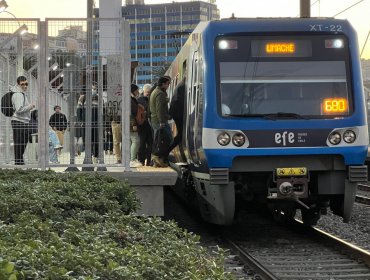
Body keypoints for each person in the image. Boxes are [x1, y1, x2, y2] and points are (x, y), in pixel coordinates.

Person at [11, 76, 35, 165]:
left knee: (21, 143)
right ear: (18, 84)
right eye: (22, 84)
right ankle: (19, 163)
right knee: (19, 144)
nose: (25, 86)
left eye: (26, 84)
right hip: (19, 121)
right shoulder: (18, 95)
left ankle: (19, 162)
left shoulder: (21, 94)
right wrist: (30, 106)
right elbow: (19, 109)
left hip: (22, 121)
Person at [149, 76, 173, 167]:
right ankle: (156, 157)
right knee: (168, 140)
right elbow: (159, 109)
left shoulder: (155, 91)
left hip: (155, 120)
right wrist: (162, 121)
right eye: (167, 84)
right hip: (159, 121)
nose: (168, 86)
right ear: (163, 84)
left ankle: (157, 160)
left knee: (158, 140)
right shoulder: (160, 93)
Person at [137, 83, 153, 166]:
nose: (148, 94)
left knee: (148, 143)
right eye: (148, 92)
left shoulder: (144, 99)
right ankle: (143, 160)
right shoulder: (141, 100)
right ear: (144, 91)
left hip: (146, 124)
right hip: (143, 124)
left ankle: (147, 160)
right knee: (143, 143)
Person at [169, 76, 186, 152]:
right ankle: (162, 153)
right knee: (180, 135)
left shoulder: (181, 85)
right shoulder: (183, 86)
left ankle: (163, 154)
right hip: (178, 114)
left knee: (180, 135)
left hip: (177, 114)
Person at [130, 84, 142, 168]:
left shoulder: (131, 99)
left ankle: (131, 159)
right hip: (131, 123)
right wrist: (134, 124)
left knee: (132, 141)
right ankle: (132, 160)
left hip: (129, 123)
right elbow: (131, 113)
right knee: (136, 140)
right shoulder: (130, 99)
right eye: (137, 90)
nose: (138, 92)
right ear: (133, 91)